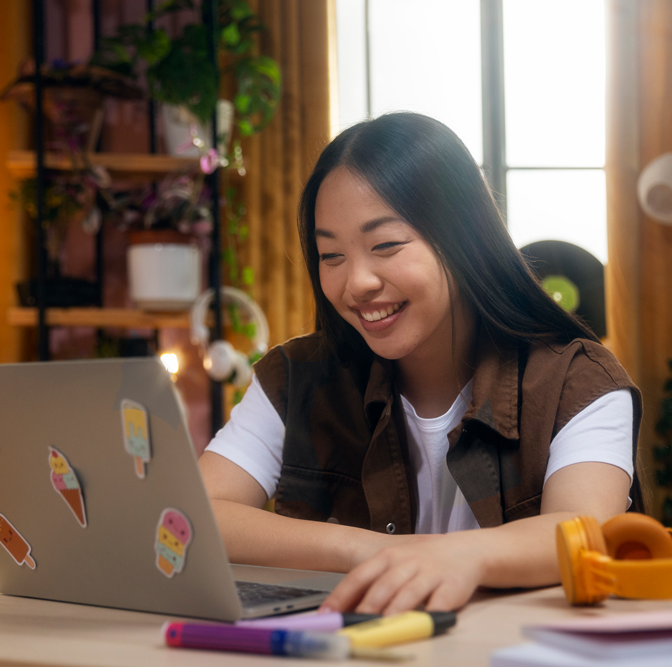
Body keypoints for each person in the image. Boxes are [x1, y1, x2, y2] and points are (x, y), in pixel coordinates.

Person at [199, 112, 642, 615]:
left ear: (463, 240)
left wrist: (461, 558)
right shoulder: (296, 376)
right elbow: (198, 514)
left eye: (385, 245)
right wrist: (373, 551)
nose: (357, 282)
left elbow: (585, 531)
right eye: (331, 255)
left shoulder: (578, 381)